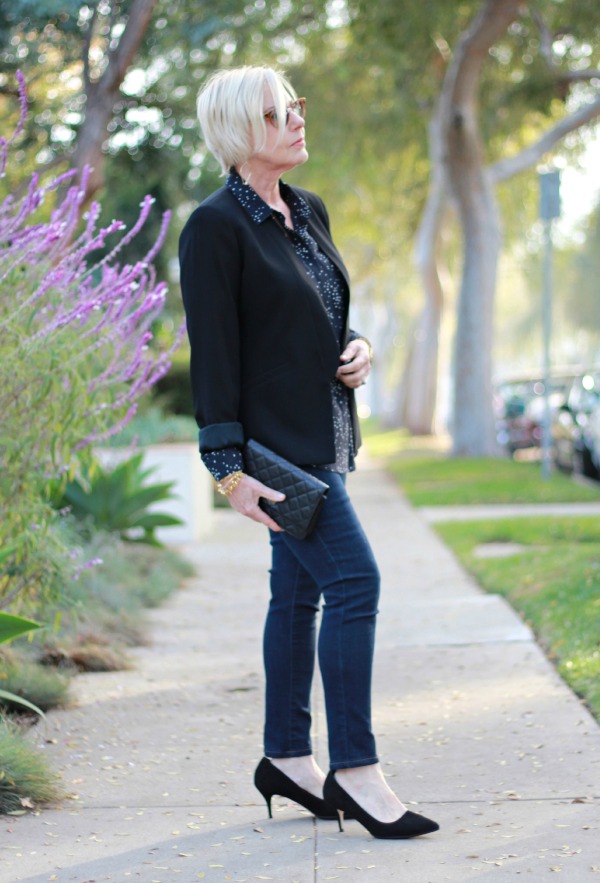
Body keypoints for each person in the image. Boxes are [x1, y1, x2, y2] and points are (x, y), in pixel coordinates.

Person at [179, 65, 439, 840]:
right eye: (274, 111)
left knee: (297, 597)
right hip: (275, 453)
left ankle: (287, 757)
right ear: (236, 131)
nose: (295, 118)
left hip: (323, 436)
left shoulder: (307, 209)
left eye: (295, 105)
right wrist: (228, 469)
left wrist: (356, 346)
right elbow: (215, 358)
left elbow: (324, 317)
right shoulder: (213, 229)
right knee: (357, 581)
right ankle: (355, 770)